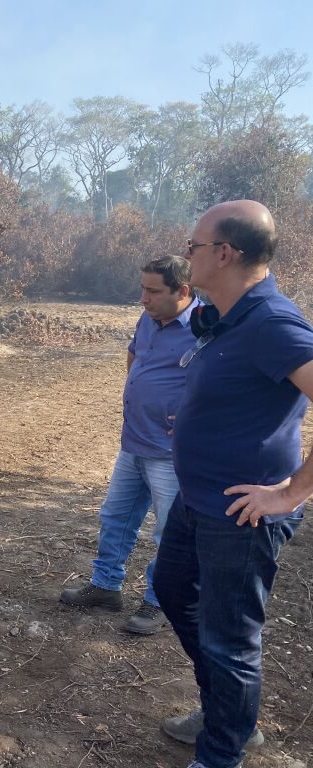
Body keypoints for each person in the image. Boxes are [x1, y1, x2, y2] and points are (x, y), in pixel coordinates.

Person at [153, 200, 313, 768]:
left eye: (193, 246)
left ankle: (221, 751)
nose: (187, 254)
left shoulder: (272, 322)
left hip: (241, 515)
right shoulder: (229, 316)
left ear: (225, 253)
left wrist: (291, 492)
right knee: (172, 590)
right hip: (199, 499)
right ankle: (226, 710)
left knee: (230, 640)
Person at [60, 256, 197, 634]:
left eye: (153, 291)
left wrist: (191, 417)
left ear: (182, 291)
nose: (143, 298)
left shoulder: (207, 328)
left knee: (167, 532)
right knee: (115, 518)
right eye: (142, 288)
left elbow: (223, 382)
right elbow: (135, 352)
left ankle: (159, 601)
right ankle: (105, 587)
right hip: (133, 442)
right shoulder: (149, 320)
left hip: (171, 455)